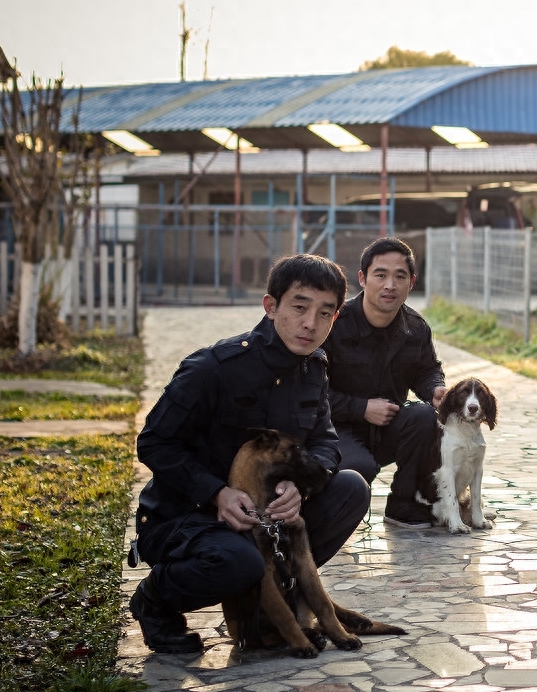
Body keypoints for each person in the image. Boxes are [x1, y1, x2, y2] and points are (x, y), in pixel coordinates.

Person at [129, 253, 369, 653]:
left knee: (350, 488)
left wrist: (301, 489)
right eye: (299, 307)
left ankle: (268, 604)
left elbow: (326, 444)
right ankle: (155, 600)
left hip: (262, 514)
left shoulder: (313, 369)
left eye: (325, 313)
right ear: (271, 306)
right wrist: (215, 493)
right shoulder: (214, 367)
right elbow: (153, 442)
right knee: (238, 562)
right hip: (186, 515)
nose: (311, 323)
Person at [324, 237, 447, 527]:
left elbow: (427, 369)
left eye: (399, 276)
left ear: (411, 282)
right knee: (358, 469)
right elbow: (311, 391)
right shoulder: (333, 324)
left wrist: (435, 389)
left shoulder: (415, 327)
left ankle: (402, 504)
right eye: (380, 275)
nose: (390, 285)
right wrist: (360, 408)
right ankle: (325, 511)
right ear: (363, 279)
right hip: (335, 428)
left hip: (388, 426)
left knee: (424, 416)